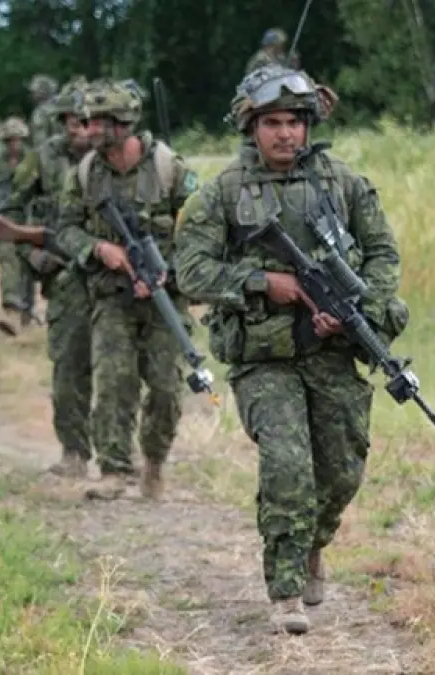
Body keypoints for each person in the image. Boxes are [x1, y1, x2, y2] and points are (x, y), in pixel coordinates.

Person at [174, 64, 404, 635]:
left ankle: (309, 546)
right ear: (251, 126)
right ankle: (283, 591)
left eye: (295, 122)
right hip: (263, 358)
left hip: (330, 353)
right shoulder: (224, 191)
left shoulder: (343, 183)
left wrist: (354, 312)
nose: (285, 135)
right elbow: (191, 270)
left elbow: (382, 256)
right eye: (272, 122)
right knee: (287, 466)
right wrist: (263, 284)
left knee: (343, 470)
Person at [54, 79, 197, 501]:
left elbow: (202, 226)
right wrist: (99, 248)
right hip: (110, 296)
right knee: (113, 382)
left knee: (167, 388)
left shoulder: (170, 168)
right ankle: (114, 468)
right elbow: (64, 230)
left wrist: (172, 270)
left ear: (124, 123)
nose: (90, 129)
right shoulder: (83, 174)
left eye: (100, 122)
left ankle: (153, 462)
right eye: (88, 121)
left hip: (164, 299)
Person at [0, 80, 95, 476]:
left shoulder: (116, 160)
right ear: (63, 121)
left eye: (90, 121)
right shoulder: (42, 159)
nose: (83, 129)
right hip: (65, 277)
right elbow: (8, 218)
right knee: (69, 367)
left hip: (113, 278)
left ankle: (122, 455)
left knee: (120, 369)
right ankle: (74, 452)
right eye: (75, 121)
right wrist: (33, 254)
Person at [0, 115, 40, 329]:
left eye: (17, 139)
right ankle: (11, 300)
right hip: (3, 218)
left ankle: (26, 309)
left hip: (28, 220)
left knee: (26, 263)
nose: (13, 144)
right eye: (9, 140)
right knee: (7, 257)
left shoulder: (34, 161)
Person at [28, 74, 60, 150]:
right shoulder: (41, 110)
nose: (32, 94)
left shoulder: (45, 111)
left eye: (35, 91)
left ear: (43, 91)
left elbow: (42, 137)